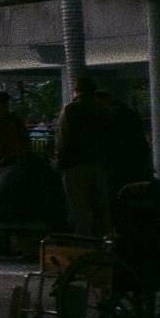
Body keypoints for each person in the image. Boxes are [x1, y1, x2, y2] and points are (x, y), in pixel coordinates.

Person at [55, 77, 116, 237]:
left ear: (76, 91)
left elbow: (63, 139)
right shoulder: (103, 110)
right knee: (101, 207)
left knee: (79, 207)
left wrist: (60, 163)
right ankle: (105, 239)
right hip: (100, 163)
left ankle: (83, 241)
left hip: (75, 165)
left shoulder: (70, 110)